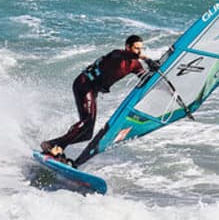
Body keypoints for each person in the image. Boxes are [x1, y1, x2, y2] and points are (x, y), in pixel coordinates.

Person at [40, 34, 157, 167]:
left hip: (92, 90)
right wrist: (147, 59)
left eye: (141, 49)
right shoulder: (116, 55)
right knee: (86, 121)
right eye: (136, 48)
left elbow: (145, 78)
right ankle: (52, 145)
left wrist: (157, 69)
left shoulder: (135, 65)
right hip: (84, 84)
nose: (139, 51)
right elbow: (123, 56)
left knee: (87, 134)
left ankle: (57, 147)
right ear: (127, 47)